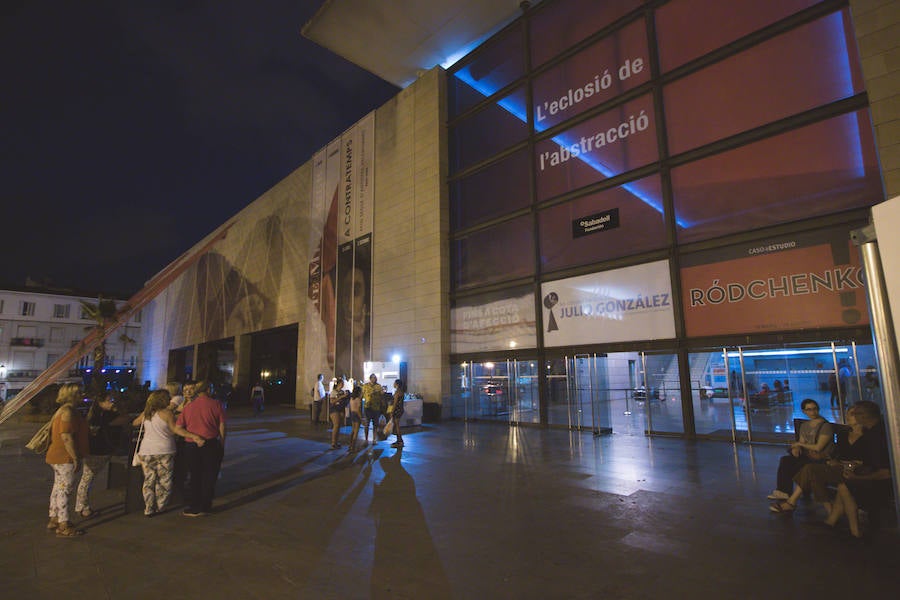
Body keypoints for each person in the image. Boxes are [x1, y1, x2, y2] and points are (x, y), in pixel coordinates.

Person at [132, 389, 206, 516]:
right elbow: (176, 430)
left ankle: (148, 508)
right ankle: (161, 506)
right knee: (164, 480)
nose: (169, 399)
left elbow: (134, 423)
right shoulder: (167, 414)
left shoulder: (147, 413)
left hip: (146, 451)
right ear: (162, 400)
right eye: (167, 397)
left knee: (148, 481)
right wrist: (194, 436)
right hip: (165, 450)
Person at [45, 383, 89, 537]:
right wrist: (75, 457)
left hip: (56, 456)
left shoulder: (62, 410)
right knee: (65, 490)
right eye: (79, 393)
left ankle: (54, 517)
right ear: (73, 395)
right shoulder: (68, 412)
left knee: (58, 487)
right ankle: (63, 524)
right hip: (65, 457)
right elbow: (66, 436)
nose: (82, 395)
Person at [176, 381, 226, 517]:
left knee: (195, 475)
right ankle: (206, 505)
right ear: (208, 390)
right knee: (209, 475)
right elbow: (222, 426)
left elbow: (178, 428)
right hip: (211, 443)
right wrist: (221, 443)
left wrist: (193, 436)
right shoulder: (217, 404)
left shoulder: (189, 407)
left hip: (192, 445)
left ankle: (194, 505)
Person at [767, 399, 833, 501]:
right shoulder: (805, 426)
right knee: (786, 460)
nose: (812, 412)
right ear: (804, 411)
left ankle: (789, 491)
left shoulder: (825, 426)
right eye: (809, 410)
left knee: (795, 464)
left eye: (814, 409)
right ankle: (783, 491)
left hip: (820, 457)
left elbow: (819, 447)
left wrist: (798, 444)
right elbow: (803, 442)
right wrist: (797, 448)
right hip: (809, 455)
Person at [75, 392, 128, 519]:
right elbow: (124, 418)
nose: (112, 403)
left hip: (94, 450)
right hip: (100, 451)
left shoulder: (94, 415)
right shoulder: (105, 415)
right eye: (109, 400)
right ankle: (82, 507)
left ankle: (81, 506)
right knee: (87, 478)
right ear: (100, 402)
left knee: (86, 478)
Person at [361, 373, 386, 443]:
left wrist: (383, 404)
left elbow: (382, 396)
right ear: (370, 378)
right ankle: (366, 439)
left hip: (376, 408)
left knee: (375, 424)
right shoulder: (365, 386)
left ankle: (374, 439)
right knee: (367, 424)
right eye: (373, 378)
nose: (374, 379)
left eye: (375, 378)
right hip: (367, 407)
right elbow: (362, 395)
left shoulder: (378, 386)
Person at [329, 378, 348, 449]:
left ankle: (336, 442)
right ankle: (333, 443)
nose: (343, 385)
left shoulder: (342, 392)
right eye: (342, 383)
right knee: (336, 425)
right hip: (334, 409)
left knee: (338, 426)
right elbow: (332, 401)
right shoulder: (334, 392)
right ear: (339, 384)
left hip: (341, 409)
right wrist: (341, 397)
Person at [389, 379, 406, 449]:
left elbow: (395, 403)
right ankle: (399, 440)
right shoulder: (401, 392)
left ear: (397, 384)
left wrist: (392, 412)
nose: (393, 384)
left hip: (397, 410)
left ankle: (400, 440)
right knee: (397, 425)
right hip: (401, 409)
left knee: (397, 426)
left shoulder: (397, 392)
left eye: (394, 383)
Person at [347, 385, 364, 452]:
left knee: (353, 430)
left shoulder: (352, 399)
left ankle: (350, 445)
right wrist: (361, 418)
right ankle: (353, 447)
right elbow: (358, 410)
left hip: (352, 414)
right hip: (356, 415)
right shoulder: (358, 399)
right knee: (356, 432)